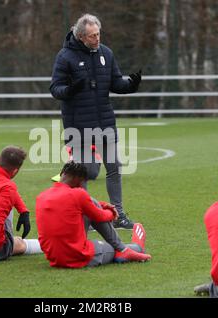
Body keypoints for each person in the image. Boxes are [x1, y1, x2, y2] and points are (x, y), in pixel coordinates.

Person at [50, 13, 142, 229]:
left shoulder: (106, 53)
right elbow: (55, 88)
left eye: (98, 34)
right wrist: (70, 89)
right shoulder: (65, 57)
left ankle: (119, 214)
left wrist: (130, 85)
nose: (97, 39)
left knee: (114, 168)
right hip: (78, 126)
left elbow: (115, 82)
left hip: (105, 123)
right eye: (92, 36)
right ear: (81, 37)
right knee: (85, 174)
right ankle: (86, 216)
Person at [36, 161, 151, 268]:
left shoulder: (42, 196)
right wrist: (112, 212)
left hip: (53, 257)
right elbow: (101, 216)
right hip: (77, 256)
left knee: (92, 203)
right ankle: (131, 248)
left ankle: (122, 249)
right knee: (113, 249)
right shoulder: (78, 194)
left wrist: (102, 205)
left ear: (62, 174)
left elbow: (74, 205)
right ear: (78, 180)